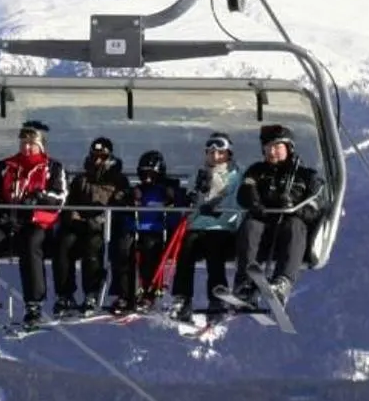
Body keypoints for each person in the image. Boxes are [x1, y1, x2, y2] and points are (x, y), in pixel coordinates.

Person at [225, 124, 330, 311]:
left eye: (277, 147)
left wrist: (294, 209)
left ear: (288, 148)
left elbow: (316, 207)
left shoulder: (306, 176)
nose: (272, 152)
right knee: (251, 226)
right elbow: (246, 191)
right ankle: (245, 283)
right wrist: (255, 204)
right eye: (268, 148)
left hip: (289, 232)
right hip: (263, 229)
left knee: (294, 225)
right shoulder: (257, 171)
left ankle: (282, 281)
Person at [0, 120, 65, 328]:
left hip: (37, 222)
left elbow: (59, 198)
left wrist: (38, 198)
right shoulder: (6, 166)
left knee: (31, 244)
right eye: (23, 143)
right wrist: (1, 214)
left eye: (32, 143)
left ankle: (34, 305)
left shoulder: (52, 167)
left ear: (41, 145)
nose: (27, 147)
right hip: (8, 220)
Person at [53, 137, 129, 314]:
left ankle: (91, 293)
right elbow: (69, 203)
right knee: (64, 243)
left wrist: (99, 220)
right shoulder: (81, 180)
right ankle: (65, 294)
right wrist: (73, 216)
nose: (97, 161)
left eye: (102, 157)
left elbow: (119, 206)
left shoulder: (118, 181)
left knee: (93, 246)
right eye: (94, 156)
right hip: (79, 226)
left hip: (103, 228)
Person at [170, 134, 242, 321]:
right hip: (197, 226)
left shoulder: (235, 176)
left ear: (228, 154)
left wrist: (217, 209)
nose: (215, 157)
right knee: (186, 249)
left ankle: (216, 298)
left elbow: (236, 202)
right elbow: (191, 199)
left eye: (220, 153)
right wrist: (190, 200)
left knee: (214, 250)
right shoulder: (199, 174)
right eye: (211, 153)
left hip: (222, 227)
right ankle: (182, 297)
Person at [116, 151, 185, 311]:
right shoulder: (137, 191)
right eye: (144, 174)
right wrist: (128, 198)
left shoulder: (167, 190)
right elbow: (125, 208)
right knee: (123, 250)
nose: (147, 178)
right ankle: (125, 295)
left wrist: (172, 199)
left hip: (157, 231)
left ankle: (149, 292)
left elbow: (178, 208)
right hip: (135, 229)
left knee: (149, 248)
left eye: (151, 174)